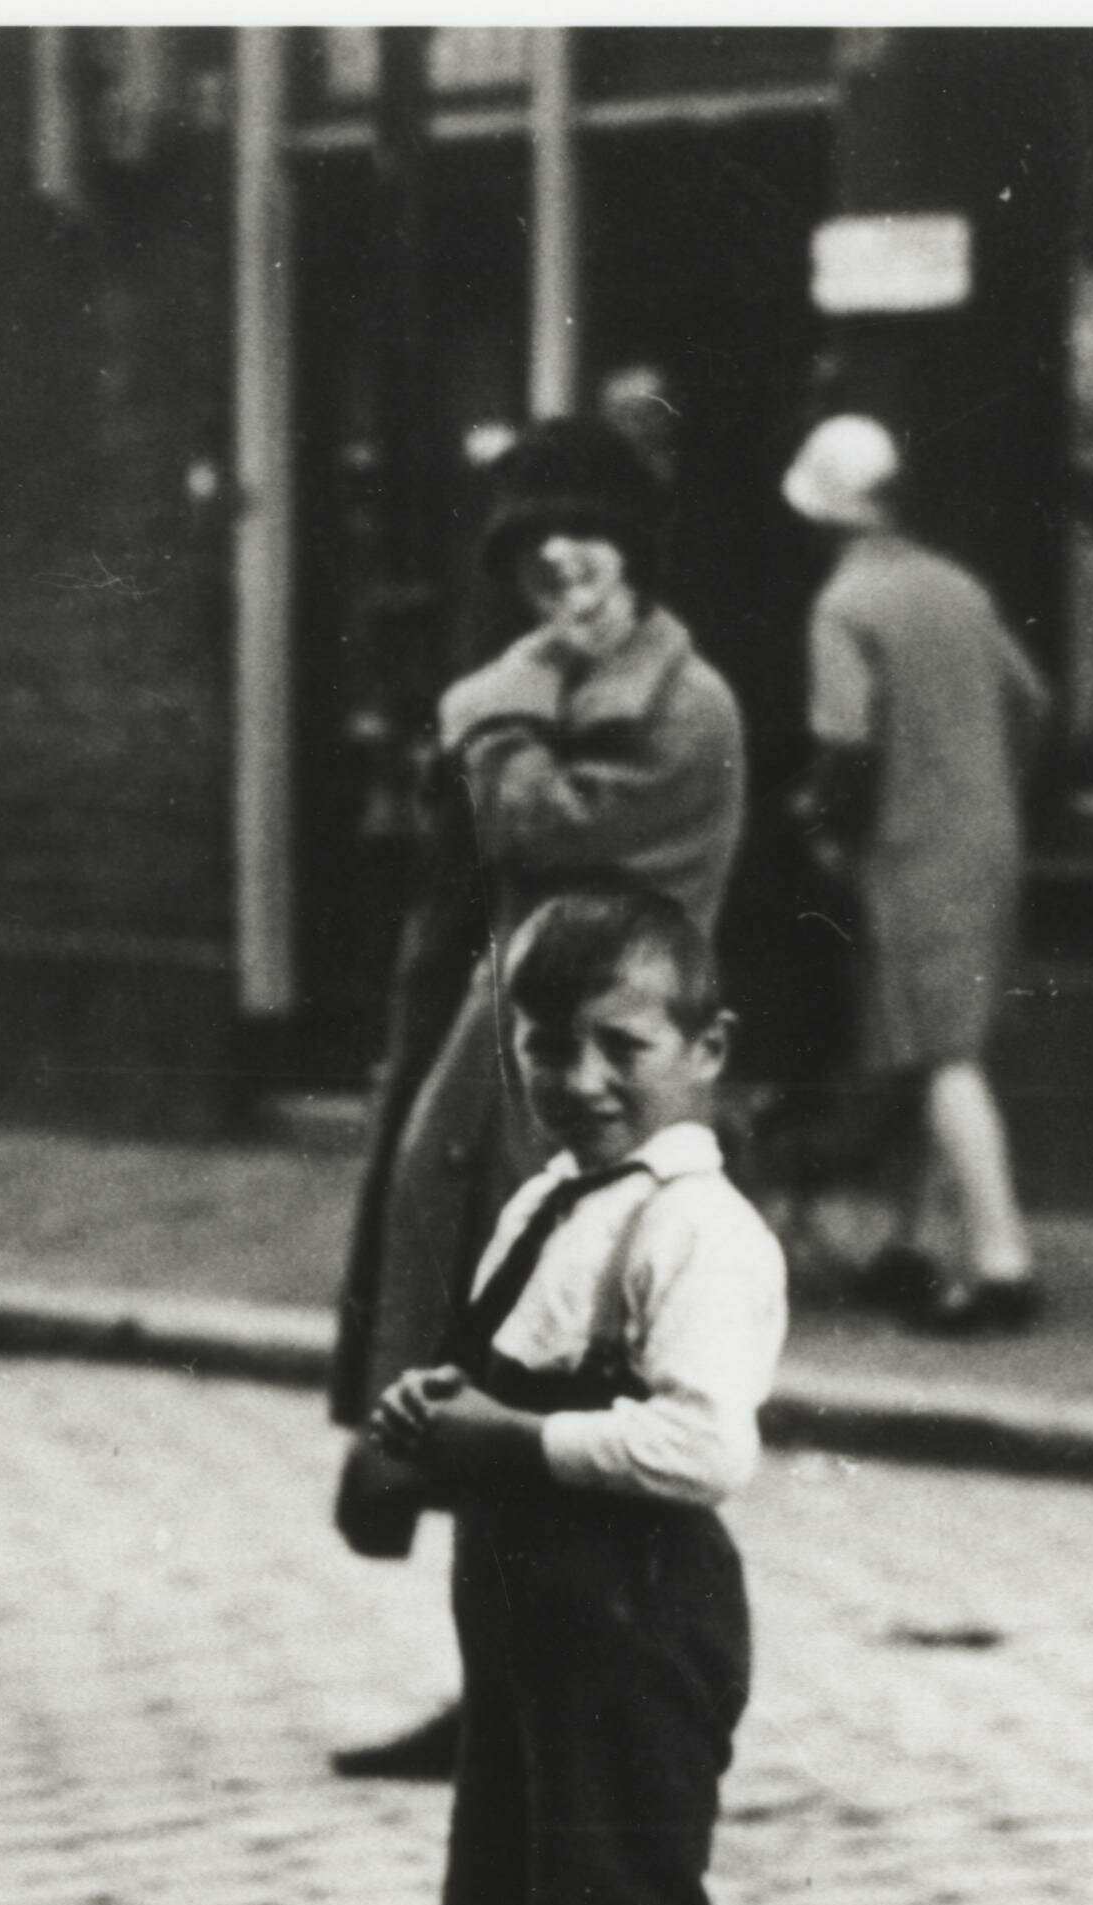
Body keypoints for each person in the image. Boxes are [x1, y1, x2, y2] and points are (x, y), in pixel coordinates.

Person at [354, 887, 791, 1905]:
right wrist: (430, 1419)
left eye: (624, 1044)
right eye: (547, 1043)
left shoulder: (697, 1228)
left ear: (705, 1049)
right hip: (529, 1623)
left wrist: (514, 1438)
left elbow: (698, 1444)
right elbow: (507, 1369)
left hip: (635, 1621)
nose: (583, 1076)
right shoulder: (553, 1198)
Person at [329, 417, 748, 1782]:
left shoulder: (685, 712)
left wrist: (491, 707)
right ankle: (497, 1688)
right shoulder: (538, 687)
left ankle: (590, 1697)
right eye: (533, 567)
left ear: (633, 563)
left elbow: (541, 830)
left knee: (586, 1378)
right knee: (484, 1351)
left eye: (586, 558)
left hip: (606, 1093)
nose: (563, 589)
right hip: (497, 1071)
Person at [788, 413, 1054, 1338]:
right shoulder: (957, 586)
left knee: (939, 1054)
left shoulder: (843, 608)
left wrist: (821, 826)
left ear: (823, 517)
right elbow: (1029, 701)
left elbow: (844, 744)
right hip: (987, 837)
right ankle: (906, 1243)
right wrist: (986, 784)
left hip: (905, 849)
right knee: (922, 1045)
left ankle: (1000, 1261)